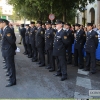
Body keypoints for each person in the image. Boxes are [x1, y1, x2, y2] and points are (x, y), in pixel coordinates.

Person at [0, 19, 16, 87]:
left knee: (10, 66)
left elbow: (12, 41)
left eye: (0, 23)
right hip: (6, 50)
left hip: (8, 51)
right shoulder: (5, 30)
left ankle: (12, 81)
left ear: (3, 23)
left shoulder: (7, 30)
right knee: (9, 66)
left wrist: (13, 49)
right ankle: (10, 77)